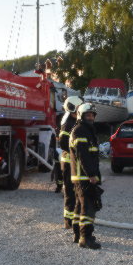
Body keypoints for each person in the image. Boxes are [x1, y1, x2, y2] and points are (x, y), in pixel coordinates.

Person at [69, 102, 103, 249]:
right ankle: (86, 238)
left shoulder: (85, 130)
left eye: (92, 115)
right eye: (87, 115)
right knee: (88, 208)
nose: (90, 117)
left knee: (78, 207)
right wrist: (92, 174)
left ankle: (78, 235)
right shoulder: (81, 130)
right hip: (84, 176)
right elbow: (83, 156)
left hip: (80, 176)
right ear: (81, 116)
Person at [58, 96, 83, 232]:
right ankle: (68, 221)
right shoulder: (68, 123)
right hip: (68, 162)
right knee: (70, 191)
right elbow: (63, 142)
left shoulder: (74, 120)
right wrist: (74, 151)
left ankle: (75, 218)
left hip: (73, 161)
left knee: (76, 191)